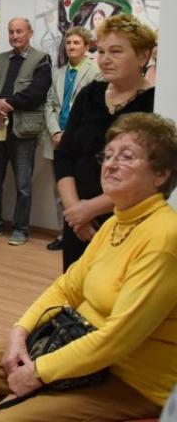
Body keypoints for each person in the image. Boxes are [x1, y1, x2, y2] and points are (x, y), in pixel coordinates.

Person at [0, 112, 177, 422]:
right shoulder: (118, 222)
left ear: (161, 174)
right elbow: (67, 288)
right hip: (80, 348)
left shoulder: (164, 237)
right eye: (108, 155)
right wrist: (20, 331)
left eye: (126, 157)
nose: (110, 164)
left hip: (130, 381)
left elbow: (118, 338)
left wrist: (39, 372)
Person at [55, 14, 156, 271]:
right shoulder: (90, 95)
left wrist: (90, 209)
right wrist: (75, 210)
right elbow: (65, 155)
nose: (105, 59)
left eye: (116, 51)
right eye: (101, 51)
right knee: (74, 286)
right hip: (78, 223)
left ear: (143, 56)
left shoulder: (154, 103)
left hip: (125, 221)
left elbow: (152, 174)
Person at [0, 17, 52, 246]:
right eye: (11, 32)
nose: (15, 36)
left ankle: (20, 229)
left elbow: (36, 93)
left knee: (23, 185)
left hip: (23, 131)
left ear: (30, 32)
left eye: (19, 31)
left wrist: (6, 103)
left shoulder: (42, 60)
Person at [42, 26, 102, 251]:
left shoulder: (96, 71)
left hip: (80, 141)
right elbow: (49, 105)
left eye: (76, 43)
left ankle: (85, 234)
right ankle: (63, 233)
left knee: (82, 187)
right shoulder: (58, 73)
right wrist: (55, 132)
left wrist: (70, 135)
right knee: (60, 191)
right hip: (56, 140)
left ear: (86, 46)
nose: (71, 46)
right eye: (68, 43)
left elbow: (94, 108)